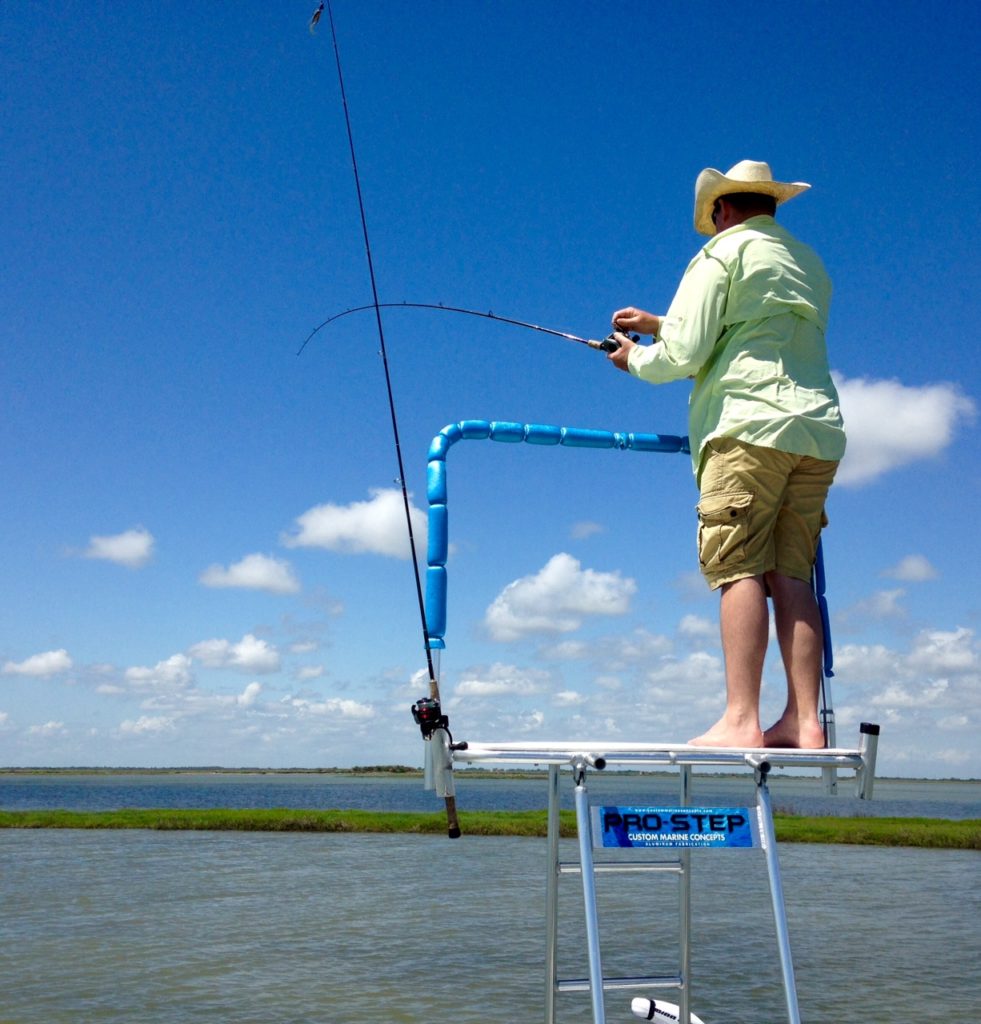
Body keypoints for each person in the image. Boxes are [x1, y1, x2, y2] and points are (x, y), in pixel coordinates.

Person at [608, 159, 846, 749]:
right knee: (789, 572)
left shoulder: (720, 252)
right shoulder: (808, 263)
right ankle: (804, 721)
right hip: (816, 432)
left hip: (745, 427)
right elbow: (750, 328)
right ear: (768, 203)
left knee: (735, 565)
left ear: (721, 210)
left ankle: (741, 720)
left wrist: (634, 358)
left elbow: (686, 354)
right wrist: (661, 322)